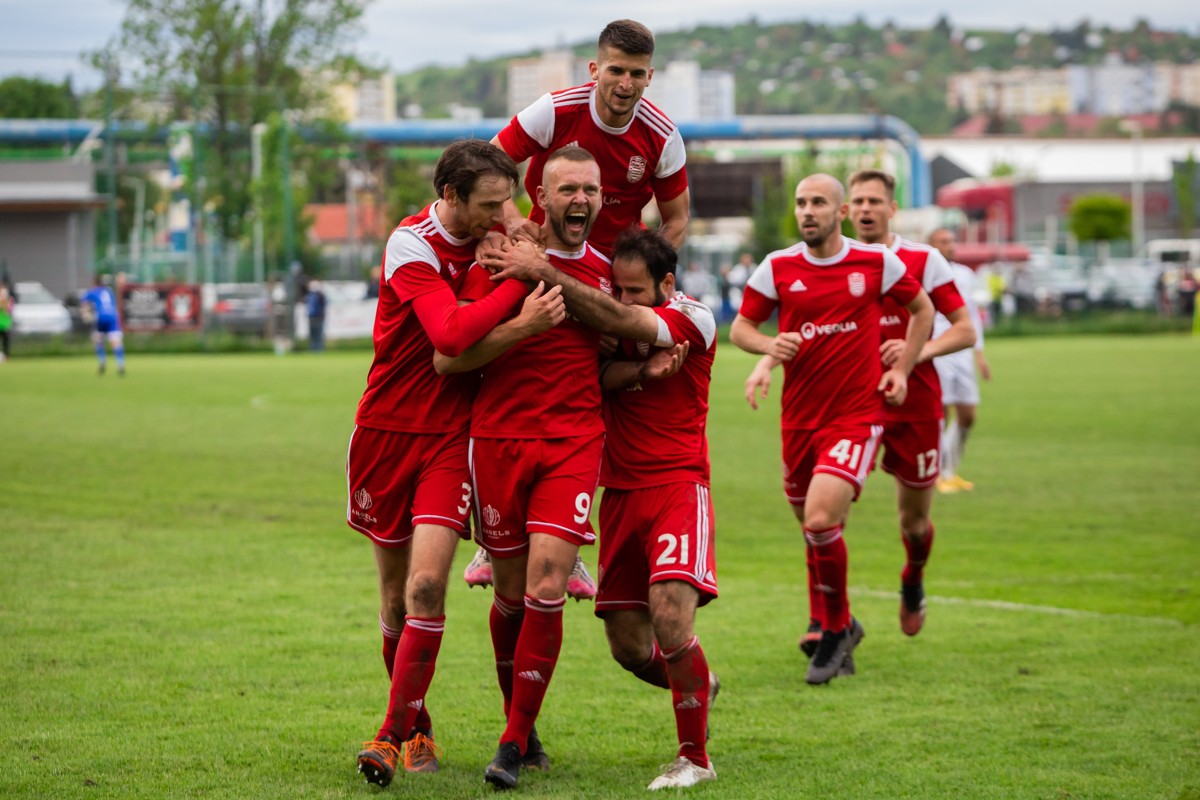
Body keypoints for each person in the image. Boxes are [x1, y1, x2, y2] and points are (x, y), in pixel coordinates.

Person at [350, 139, 556, 788]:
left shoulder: (496, 237)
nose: (502, 215)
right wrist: (519, 290)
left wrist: (519, 245)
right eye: (490, 205)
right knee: (393, 598)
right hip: (385, 433)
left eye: (507, 202)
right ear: (450, 197)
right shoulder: (411, 244)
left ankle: (389, 736)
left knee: (425, 587)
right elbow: (449, 336)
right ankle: (420, 727)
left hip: (450, 439)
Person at [484, 227, 719, 790]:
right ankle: (699, 685)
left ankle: (695, 757)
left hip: (677, 484)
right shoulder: (612, 322)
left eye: (635, 290)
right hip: (618, 493)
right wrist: (639, 371)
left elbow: (623, 322)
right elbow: (597, 373)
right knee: (629, 648)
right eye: (618, 288)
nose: (623, 299)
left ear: (667, 284)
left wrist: (546, 272)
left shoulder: (694, 318)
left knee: (670, 613)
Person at [465, 17, 691, 598]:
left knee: (595, 387)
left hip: (606, 279)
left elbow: (676, 220)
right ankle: (493, 532)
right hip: (538, 257)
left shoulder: (662, 135)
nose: (625, 83)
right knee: (503, 364)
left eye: (637, 74)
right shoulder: (555, 109)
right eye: (616, 70)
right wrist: (509, 224)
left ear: (650, 77)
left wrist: (646, 284)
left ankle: (570, 540)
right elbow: (490, 163)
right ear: (595, 70)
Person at [433, 146, 613, 790]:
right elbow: (449, 357)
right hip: (498, 442)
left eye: (590, 190)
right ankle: (525, 724)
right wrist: (521, 323)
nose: (580, 200)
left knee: (546, 585)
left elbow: (630, 330)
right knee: (511, 597)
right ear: (540, 195)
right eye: (567, 189)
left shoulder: (606, 272)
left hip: (572, 444)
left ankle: (510, 744)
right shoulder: (498, 260)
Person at [732, 173, 933, 684]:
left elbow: (923, 310)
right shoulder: (777, 267)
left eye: (818, 202)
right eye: (801, 202)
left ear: (839, 212)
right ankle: (837, 624)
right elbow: (741, 328)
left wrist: (902, 368)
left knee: (821, 520)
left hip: (856, 417)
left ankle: (836, 628)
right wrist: (767, 348)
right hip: (799, 421)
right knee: (811, 527)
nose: (807, 211)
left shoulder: (875, 263)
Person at [844, 171, 975, 639]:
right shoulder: (832, 262)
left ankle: (913, 578)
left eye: (875, 201)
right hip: (852, 406)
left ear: (892, 208)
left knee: (914, 522)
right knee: (825, 516)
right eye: (859, 201)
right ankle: (831, 619)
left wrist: (916, 351)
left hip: (916, 403)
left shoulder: (923, 259)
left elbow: (965, 329)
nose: (866, 209)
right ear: (846, 210)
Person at [928, 228, 991, 494]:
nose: (950, 245)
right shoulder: (925, 272)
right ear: (932, 246)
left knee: (968, 414)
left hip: (963, 351)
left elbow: (973, 316)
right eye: (944, 241)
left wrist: (980, 353)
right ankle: (939, 473)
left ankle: (951, 470)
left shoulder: (966, 275)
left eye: (953, 241)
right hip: (938, 348)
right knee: (941, 412)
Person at [82, 275, 126, 376]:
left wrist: (85, 313)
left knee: (98, 340)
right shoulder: (109, 291)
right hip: (113, 317)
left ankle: (102, 360)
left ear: (94, 283)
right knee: (116, 342)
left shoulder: (93, 291)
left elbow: (84, 301)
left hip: (101, 317)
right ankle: (120, 364)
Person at [305, 279, 327, 352]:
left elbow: (323, 305)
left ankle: (319, 349)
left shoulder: (320, 295)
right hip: (311, 316)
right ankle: (313, 349)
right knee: (312, 334)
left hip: (318, 317)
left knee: (319, 334)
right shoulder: (309, 295)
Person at [0, 283, 12, 362]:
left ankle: (6, 356)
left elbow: (9, 309)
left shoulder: (8, 300)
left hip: (5, 324)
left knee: (6, 342)